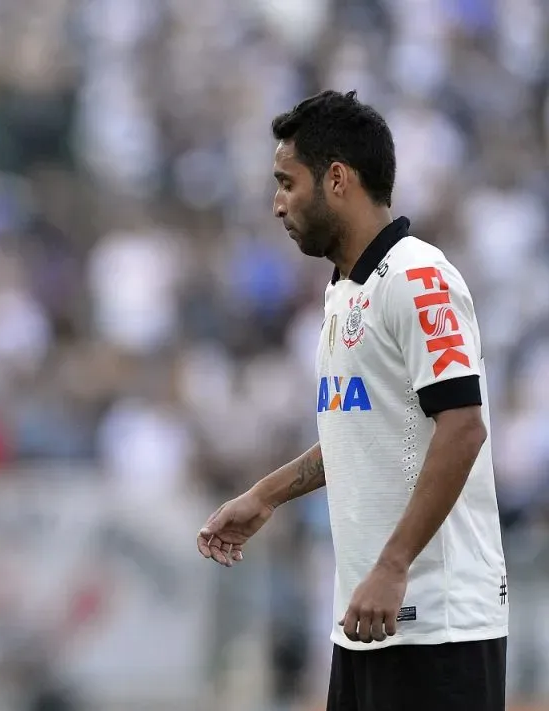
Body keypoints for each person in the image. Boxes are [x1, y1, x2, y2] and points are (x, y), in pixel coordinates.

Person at [197, 90, 508, 711]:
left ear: (337, 178)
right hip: (366, 624)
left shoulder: (419, 277)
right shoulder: (344, 291)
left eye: (287, 182)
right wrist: (266, 495)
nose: (276, 202)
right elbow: (364, 431)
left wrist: (394, 566)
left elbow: (463, 427)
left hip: (438, 629)